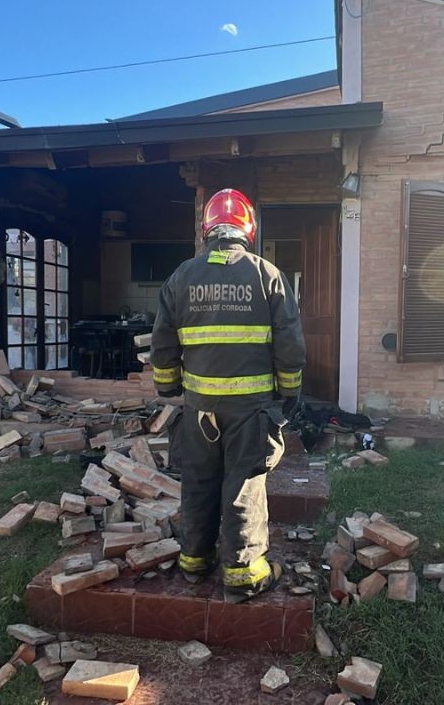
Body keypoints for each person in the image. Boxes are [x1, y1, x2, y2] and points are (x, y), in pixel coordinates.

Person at [150, 188, 306, 603]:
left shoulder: (182, 276)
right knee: (243, 484)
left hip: (200, 408)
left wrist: (168, 387)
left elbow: (162, 342)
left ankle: (194, 561)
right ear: (248, 230)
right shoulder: (266, 274)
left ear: (207, 230)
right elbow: (289, 344)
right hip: (252, 410)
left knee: (199, 481)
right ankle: (242, 573)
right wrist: (289, 393)